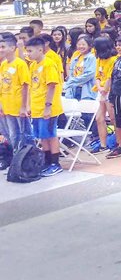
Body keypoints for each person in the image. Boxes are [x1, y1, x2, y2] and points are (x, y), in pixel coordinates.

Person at [25, 36, 65, 176]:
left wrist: (48, 106)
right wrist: (28, 105)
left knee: (50, 135)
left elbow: (52, 86)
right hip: (36, 107)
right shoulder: (33, 65)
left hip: (48, 108)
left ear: (40, 50)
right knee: (42, 136)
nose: (28, 54)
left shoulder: (48, 64)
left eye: (30, 51)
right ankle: (47, 161)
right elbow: (32, 87)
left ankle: (55, 163)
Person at [0, 32, 31, 150]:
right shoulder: (3, 65)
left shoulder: (20, 64)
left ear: (13, 48)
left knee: (25, 135)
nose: (1, 50)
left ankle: (28, 160)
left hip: (18, 106)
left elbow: (25, 85)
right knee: (12, 135)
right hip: (7, 106)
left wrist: (24, 106)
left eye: (3, 47)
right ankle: (15, 158)